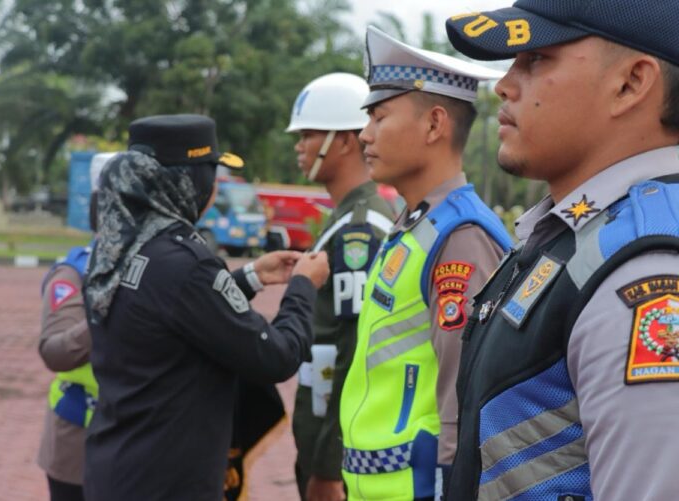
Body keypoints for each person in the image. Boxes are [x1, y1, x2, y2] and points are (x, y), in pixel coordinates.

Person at [444, 2, 679, 499]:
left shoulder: (646, 270)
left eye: (534, 59)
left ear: (631, 83)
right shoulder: (582, 233)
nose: (505, 84)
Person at [82, 114, 330, 501]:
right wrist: (302, 288)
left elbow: (175, 313)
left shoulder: (117, 244)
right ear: (189, 181)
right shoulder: (185, 262)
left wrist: (251, 276)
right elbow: (276, 356)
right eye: (211, 173)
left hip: (116, 465)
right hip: (169, 483)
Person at [339, 27, 513, 501]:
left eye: (379, 116)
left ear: (435, 125)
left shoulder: (460, 237)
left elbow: (465, 391)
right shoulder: (416, 224)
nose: (364, 134)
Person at [285, 72, 396, 501]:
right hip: (321, 435)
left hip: (336, 452)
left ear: (346, 140)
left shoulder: (360, 230)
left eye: (309, 134)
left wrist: (330, 465)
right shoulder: (345, 219)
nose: (299, 146)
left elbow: (355, 351)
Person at [37, 152, 115, 501]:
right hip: (77, 440)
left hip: (136, 439)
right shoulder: (73, 274)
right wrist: (108, 306)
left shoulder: (158, 268)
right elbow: (57, 351)